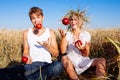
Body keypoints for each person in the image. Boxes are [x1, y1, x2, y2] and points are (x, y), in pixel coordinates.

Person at [0, 6, 63, 80]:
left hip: (47, 64)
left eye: (38, 17)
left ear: (43, 17)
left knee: (58, 66)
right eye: (33, 18)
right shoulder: (26, 33)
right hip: (32, 65)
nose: (36, 20)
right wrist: (26, 56)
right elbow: (25, 51)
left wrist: (47, 46)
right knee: (5, 71)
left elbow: (56, 54)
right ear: (30, 20)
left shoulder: (50, 32)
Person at [59, 9, 106, 80]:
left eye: (75, 19)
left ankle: (100, 78)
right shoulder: (67, 34)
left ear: (81, 22)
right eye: (71, 20)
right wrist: (63, 37)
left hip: (84, 61)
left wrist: (82, 49)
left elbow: (86, 54)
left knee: (101, 60)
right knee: (64, 58)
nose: (73, 21)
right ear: (69, 22)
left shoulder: (86, 34)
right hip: (72, 61)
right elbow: (63, 51)